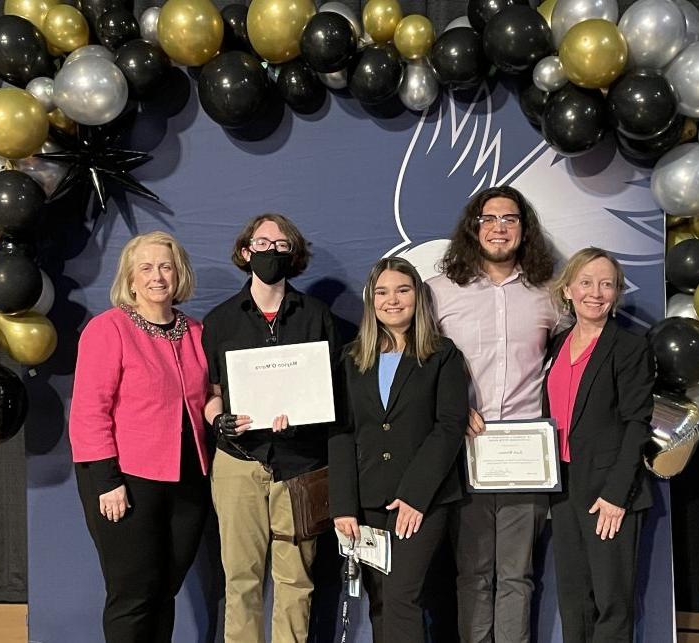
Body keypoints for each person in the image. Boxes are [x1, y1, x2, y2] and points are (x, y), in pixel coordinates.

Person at [426, 186, 560, 643]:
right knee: (474, 573)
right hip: (466, 448)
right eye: (489, 219)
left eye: (510, 219)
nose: (499, 227)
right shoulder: (439, 293)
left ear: (524, 230)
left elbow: (570, 365)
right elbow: (418, 369)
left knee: (518, 574)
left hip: (527, 454)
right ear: (473, 227)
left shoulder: (549, 295)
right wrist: (451, 409)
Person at [200, 213, 341, 643]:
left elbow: (333, 392)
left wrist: (305, 412)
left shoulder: (317, 316)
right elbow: (210, 392)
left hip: (300, 463)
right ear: (246, 252)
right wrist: (217, 418)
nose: (271, 252)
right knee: (240, 578)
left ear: (293, 254)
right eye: (262, 244)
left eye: (281, 245)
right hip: (239, 462)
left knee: (296, 579)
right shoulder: (221, 319)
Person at [69, 231, 211, 643]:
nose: (157, 276)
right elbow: (89, 411)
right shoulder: (108, 329)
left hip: (188, 481)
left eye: (166, 266)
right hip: (127, 480)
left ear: (179, 273)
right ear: (130, 280)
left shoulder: (197, 332)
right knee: (133, 594)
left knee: (163, 591)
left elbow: (211, 398)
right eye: (145, 268)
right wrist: (107, 481)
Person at [329, 257, 468, 642]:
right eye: (382, 292)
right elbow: (341, 433)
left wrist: (415, 495)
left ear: (418, 297)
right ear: (371, 301)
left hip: (423, 501)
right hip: (369, 497)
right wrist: (343, 504)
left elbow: (450, 426)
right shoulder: (351, 358)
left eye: (403, 290)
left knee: (403, 596)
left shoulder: (442, 355)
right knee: (380, 601)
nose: (393, 300)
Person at [543, 247, 655, 642]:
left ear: (617, 293)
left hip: (609, 491)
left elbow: (636, 424)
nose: (596, 292)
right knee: (574, 599)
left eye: (607, 284)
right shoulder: (555, 345)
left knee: (612, 603)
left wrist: (616, 495)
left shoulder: (629, 347)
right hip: (565, 487)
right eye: (586, 282)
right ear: (568, 289)